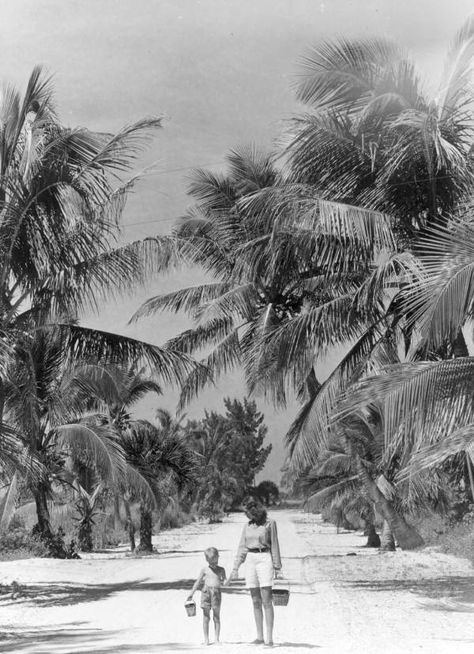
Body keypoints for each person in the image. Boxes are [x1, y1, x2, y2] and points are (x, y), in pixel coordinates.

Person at [227, 497, 282, 647]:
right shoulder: (247, 526)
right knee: (255, 601)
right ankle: (259, 637)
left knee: (266, 600)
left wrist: (277, 567)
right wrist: (236, 567)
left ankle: (270, 639)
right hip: (250, 559)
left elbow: (275, 545)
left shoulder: (270, 523)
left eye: (251, 514)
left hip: (265, 558)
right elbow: (242, 547)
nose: (249, 517)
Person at [187, 546, 226, 645]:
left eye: (215, 560)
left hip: (216, 593)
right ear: (207, 560)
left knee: (216, 616)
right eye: (211, 561)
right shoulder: (204, 569)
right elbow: (198, 582)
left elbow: (224, 581)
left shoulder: (221, 569)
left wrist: (227, 580)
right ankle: (206, 639)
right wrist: (191, 593)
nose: (214, 563)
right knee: (206, 616)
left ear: (218, 557)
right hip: (206, 593)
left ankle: (216, 639)